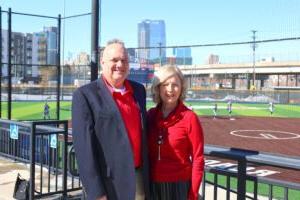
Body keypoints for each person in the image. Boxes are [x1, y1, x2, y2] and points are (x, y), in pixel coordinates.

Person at [72, 39, 150, 200]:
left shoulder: (139, 90)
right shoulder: (85, 95)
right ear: (102, 63)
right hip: (110, 183)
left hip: (139, 178)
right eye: (114, 60)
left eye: (124, 60)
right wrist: (97, 192)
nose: (120, 64)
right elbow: (84, 150)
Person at [147, 65, 204, 200]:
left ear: (182, 88)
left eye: (175, 85)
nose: (170, 89)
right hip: (152, 185)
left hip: (179, 187)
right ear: (158, 88)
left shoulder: (190, 118)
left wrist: (193, 194)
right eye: (165, 84)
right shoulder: (150, 116)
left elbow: (198, 158)